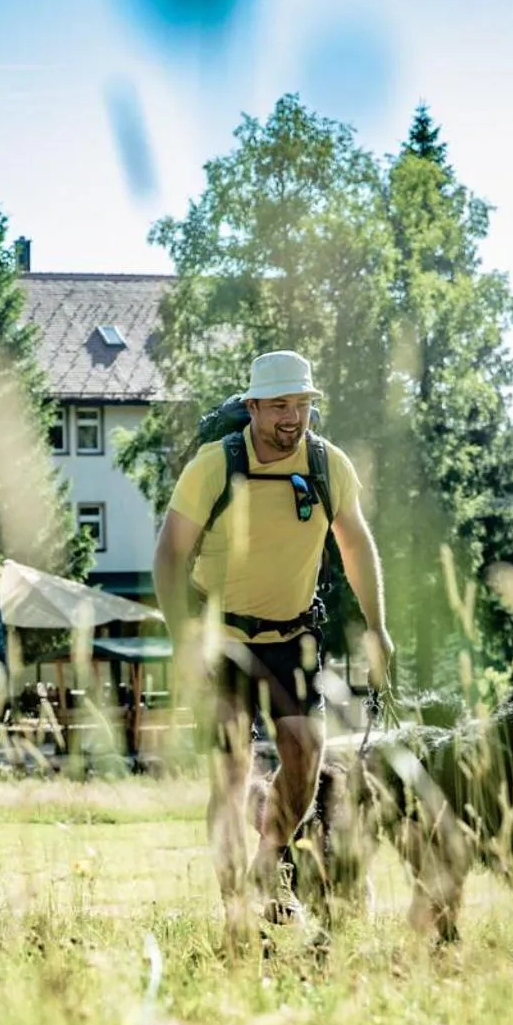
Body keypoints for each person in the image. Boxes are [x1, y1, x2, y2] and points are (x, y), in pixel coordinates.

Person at [152, 350, 393, 942]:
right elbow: (169, 555)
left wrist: (377, 627)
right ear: (254, 406)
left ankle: (270, 858)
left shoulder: (326, 465)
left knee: (306, 754)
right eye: (280, 405)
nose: (292, 417)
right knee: (232, 770)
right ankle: (235, 911)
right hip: (220, 639)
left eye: (302, 405)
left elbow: (356, 545)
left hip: (292, 636)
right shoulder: (215, 465)